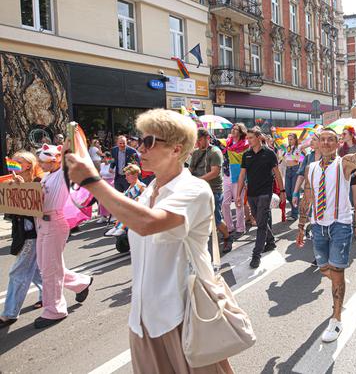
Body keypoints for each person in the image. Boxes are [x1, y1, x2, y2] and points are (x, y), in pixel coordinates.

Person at [64, 109, 235, 373]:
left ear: (176, 149)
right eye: (139, 140)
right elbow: (133, 219)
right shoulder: (149, 191)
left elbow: (148, 223)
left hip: (184, 318)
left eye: (149, 142)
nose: (139, 148)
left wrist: (92, 180)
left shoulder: (194, 190)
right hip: (143, 321)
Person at [296, 123, 356, 343]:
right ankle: (340, 285)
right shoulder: (311, 168)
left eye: (332, 139)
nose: (327, 142)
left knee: (336, 273)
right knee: (324, 269)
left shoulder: (344, 163)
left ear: (338, 144)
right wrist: (301, 227)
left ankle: (336, 319)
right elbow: (307, 198)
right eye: (323, 139)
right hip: (318, 226)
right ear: (316, 143)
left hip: (340, 225)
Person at [34, 144, 93, 328]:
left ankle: (55, 310)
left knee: (50, 269)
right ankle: (81, 282)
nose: (40, 164)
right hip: (42, 223)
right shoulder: (46, 177)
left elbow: (68, 162)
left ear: (54, 160)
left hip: (55, 223)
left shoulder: (61, 174)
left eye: (43, 161)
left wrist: (67, 147)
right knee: (46, 266)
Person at [1, 151, 44, 328]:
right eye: (13, 161)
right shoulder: (12, 181)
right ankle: (49, 295)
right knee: (35, 271)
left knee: (17, 272)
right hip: (21, 233)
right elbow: (10, 213)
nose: (14, 164)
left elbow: (38, 209)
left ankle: (10, 313)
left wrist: (23, 188)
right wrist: (12, 190)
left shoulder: (38, 182)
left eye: (19, 162)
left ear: (28, 164)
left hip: (33, 235)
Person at [236, 128, 286, 269]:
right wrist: (238, 194)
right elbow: (241, 176)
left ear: (258, 137)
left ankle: (256, 255)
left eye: (251, 138)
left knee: (261, 225)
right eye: (248, 138)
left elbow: (277, 173)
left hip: (265, 193)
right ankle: (270, 241)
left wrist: (282, 191)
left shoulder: (269, 153)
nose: (248, 141)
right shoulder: (246, 155)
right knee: (259, 220)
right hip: (251, 193)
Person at [189, 128, 232, 254]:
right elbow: (191, 169)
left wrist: (198, 180)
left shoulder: (215, 152)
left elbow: (214, 172)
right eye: (196, 140)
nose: (198, 142)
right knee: (198, 218)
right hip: (198, 190)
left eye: (200, 139)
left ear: (207, 138)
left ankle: (228, 237)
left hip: (214, 190)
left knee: (216, 219)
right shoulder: (196, 153)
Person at [222, 123, 249, 236]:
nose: (233, 131)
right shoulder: (227, 143)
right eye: (232, 129)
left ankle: (240, 228)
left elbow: (246, 163)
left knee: (238, 203)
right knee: (224, 203)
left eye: (236, 129)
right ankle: (229, 226)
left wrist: (246, 180)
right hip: (227, 175)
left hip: (238, 177)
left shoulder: (245, 145)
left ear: (241, 132)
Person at [105, 164, 147, 237]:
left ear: (136, 175)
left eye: (128, 175)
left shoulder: (141, 186)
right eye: (125, 175)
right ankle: (117, 227)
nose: (126, 178)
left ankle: (121, 228)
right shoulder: (130, 186)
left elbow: (146, 198)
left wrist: (138, 200)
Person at [338, 127, 356, 239]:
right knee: (343, 203)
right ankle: (344, 227)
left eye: (345, 133)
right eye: (342, 134)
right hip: (344, 177)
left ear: (351, 134)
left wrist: (353, 174)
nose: (342, 135)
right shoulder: (340, 149)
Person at [284, 133, 302, 221]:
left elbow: (299, 159)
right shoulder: (287, 147)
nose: (289, 141)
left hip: (295, 169)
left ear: (295, 139)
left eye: (291, 139)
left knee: (294, 192)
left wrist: (290, 153)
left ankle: (295, 214)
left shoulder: (298, 147)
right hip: (288, 170)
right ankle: (295, 209)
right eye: (289, 139)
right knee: (287, 193)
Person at [98, 152, 115, 222]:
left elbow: (114, 174)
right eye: (102, 157)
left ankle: (113, 215)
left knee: (111, 200)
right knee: (101, 200)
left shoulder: (112, 165)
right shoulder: (101, 165)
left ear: (108, 157)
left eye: (103, 157)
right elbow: (100, 174)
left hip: (111, 183)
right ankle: (103, 216)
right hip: (103, 183)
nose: (102, 158)